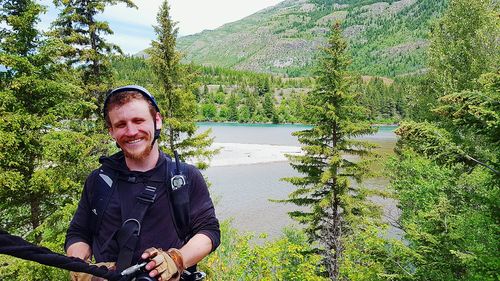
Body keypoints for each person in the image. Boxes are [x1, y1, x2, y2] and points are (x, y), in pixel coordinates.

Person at [65, 85, 220, 281]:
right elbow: (78, 233)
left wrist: (176, 260)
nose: (131, 131)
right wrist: (82, 269)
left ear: (157, 121)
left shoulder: (184, 177)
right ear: (111, 131)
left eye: (138, 121)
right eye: (121, 124)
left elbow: (208, 231)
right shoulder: (99, 181)